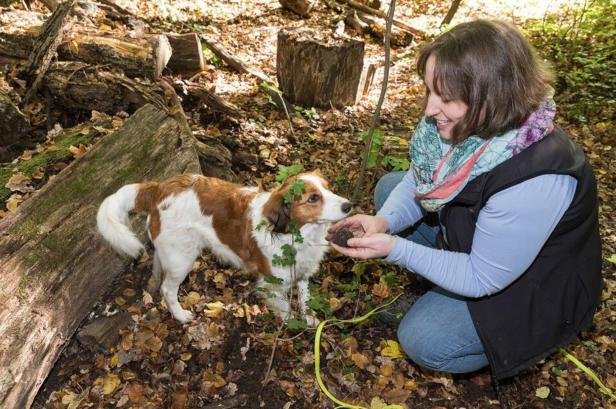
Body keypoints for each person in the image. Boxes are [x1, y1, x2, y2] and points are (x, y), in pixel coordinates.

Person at [327, 19, 602, 381]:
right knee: (389, 189)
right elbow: (418, 180)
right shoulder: (470, 123)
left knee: (424, 339)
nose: (429, 109)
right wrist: (384, 222)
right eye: (428, 90)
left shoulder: (535, 177)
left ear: (494, 95)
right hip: (482, 240)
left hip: (534, 285)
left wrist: (395, 248)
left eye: (446, 98)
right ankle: (443, 292)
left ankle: (502, 344)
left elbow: (483, 276)